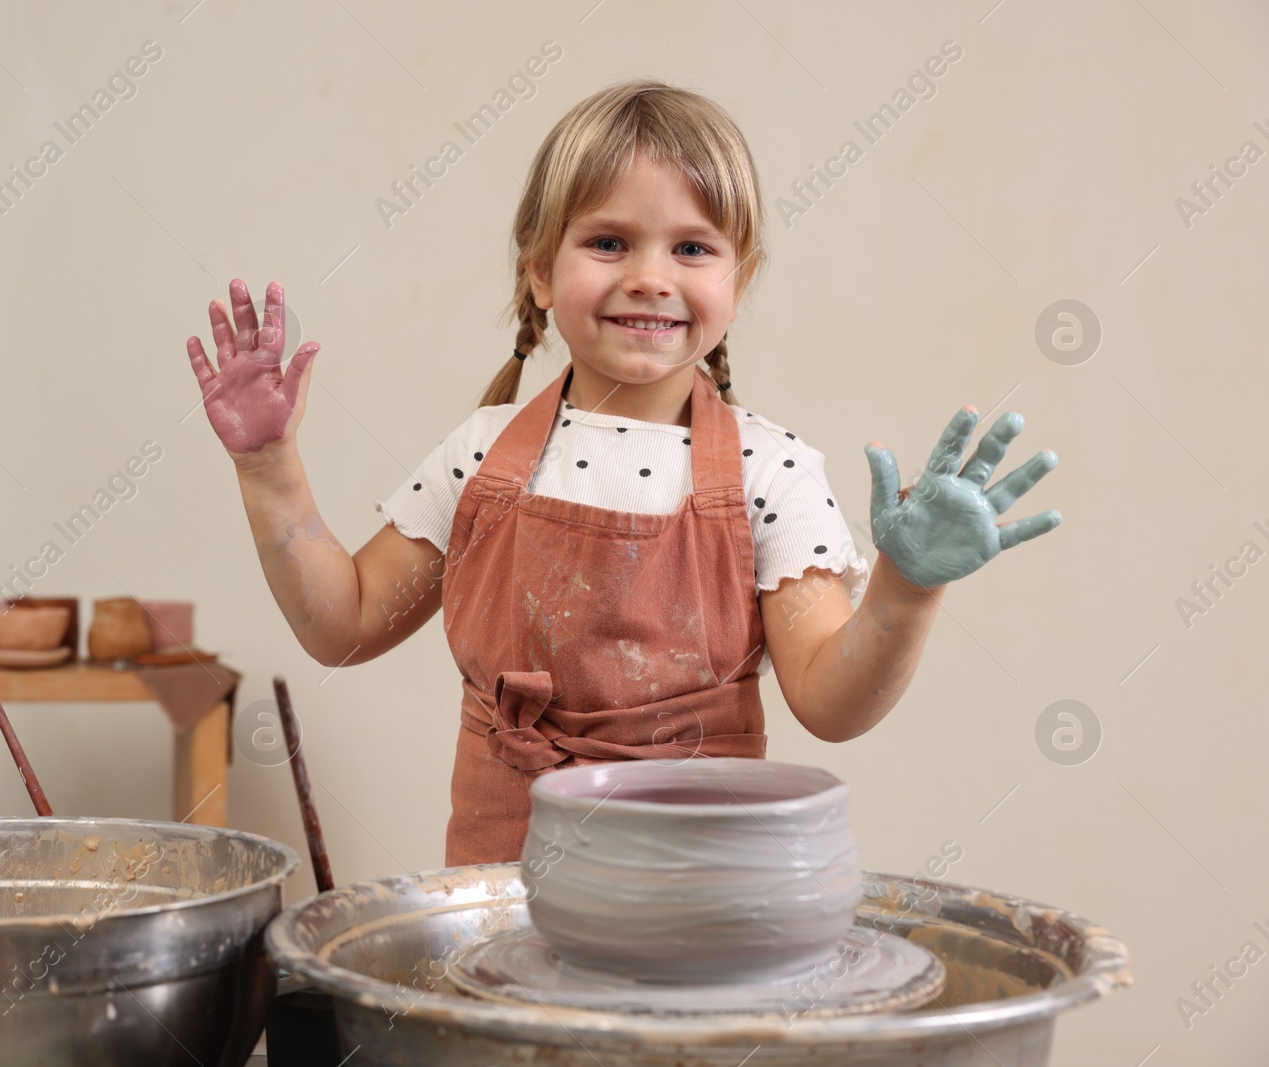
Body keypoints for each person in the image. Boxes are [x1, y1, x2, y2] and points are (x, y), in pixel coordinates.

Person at [184, 80, 1060, 866]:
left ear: (738, 280)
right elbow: (345, 624)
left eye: (692, 248)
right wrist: (268, 468)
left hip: (697, 910)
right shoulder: (482, 452)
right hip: (503, 902)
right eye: (609, 241)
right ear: (538, 272)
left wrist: (904, 591)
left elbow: (831, 704)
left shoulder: (772, 470)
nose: (650, 278)